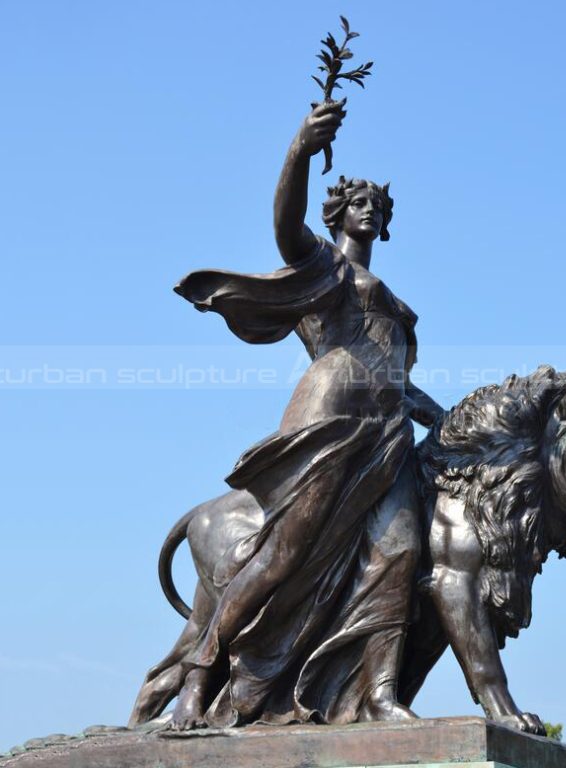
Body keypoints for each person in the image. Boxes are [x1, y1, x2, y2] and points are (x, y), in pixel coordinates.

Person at [166, 100, 444, 729]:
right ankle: (199, 675)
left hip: (388, 434)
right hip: (329, 420)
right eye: (358, 201)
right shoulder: (324, 267)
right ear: (338, 212)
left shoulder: (394, 301)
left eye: (379, 203)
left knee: (399, 553)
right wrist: (298, 149)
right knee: (280, 557)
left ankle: (379, 696)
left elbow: (402, 383)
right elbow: (286, 226)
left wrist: (449, 420)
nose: (370, 208)